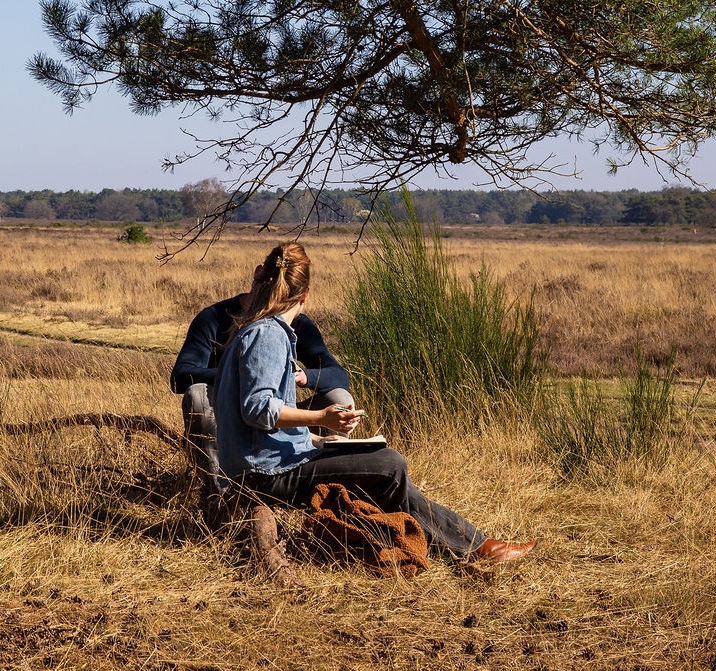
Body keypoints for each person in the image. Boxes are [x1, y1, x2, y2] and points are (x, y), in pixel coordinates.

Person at [212, 242, 536, 566]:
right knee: (389, 465)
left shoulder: (253, 330)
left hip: (263, 465)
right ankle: (466, 548)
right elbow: (258, 410)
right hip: (264, 474)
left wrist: (320, 440)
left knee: (382, 464)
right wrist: (320, 417)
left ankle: (461, 544)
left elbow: (257, 427)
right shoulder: (268, 335)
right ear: (305, 295)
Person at [172, 249, 357, 487]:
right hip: (233, 419)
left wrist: (304, 376)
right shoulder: (214, 318)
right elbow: (180, 376)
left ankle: (329, 487)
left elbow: (338, 375)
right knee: (197, 394)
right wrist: (241, 375)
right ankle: (219, 488)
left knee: (339, 397)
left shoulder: (297, 323)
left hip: (280, 416)